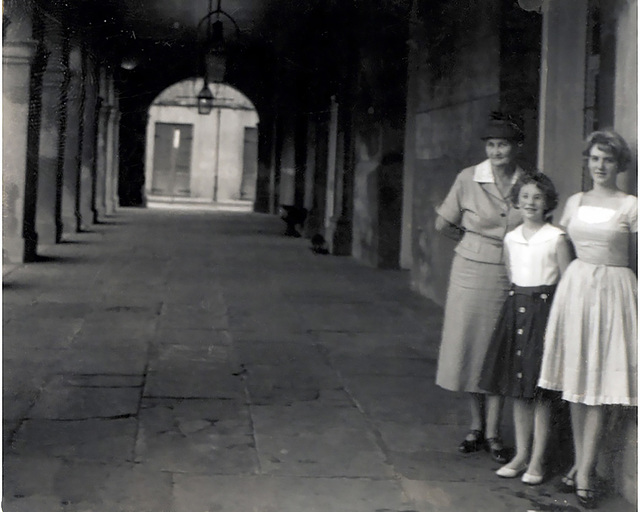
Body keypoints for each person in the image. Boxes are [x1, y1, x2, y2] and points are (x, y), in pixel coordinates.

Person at [537, 130, 637, 509]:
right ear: (587, 160)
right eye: (594, 158)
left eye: (607, 160)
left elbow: (636, 257)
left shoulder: (631, 206)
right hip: (578, 290)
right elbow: (562, 242)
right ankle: (582, 467)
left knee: (598, 385)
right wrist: (566, 285)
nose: (600, 166)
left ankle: (583, 471)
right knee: (577, 381)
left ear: (618, 164)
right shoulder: (576, 202)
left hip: (614, 291)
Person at [434, 113, 528, 463]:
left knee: (499, 349)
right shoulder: (467, 178)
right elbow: (443, 223)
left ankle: (494, 432)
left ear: (517, 147)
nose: (496, 151)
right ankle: (476, 427)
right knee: (470, 346)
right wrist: (472, 241)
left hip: (512, 271)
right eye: (491, 145)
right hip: (470, 271)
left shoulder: (526, 181)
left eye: (503, 144)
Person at [479, 173, 572, 484]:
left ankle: (537, 460)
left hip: (544, 313)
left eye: (537, 198)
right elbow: (511, 273)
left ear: (547, 203)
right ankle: (521, 453)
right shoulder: (511, 238)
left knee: (540, 389)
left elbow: (567, 281)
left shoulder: (555, 237)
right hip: (516, 311)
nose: (530, 203)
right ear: (516, 201)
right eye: (525, 197)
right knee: (518, 389)